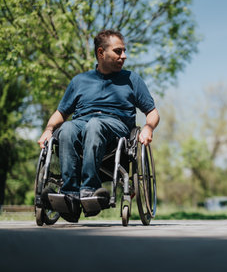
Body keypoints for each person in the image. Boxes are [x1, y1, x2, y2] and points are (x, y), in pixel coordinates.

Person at [37, 29, 160, 222]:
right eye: (118, 51)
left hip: (115, 127)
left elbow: (152, 112)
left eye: (124, 51)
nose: (124, 56)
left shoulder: (132, 80)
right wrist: (48, 129)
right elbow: (61, 113)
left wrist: (148, 127)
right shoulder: (79, 81)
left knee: (95, 124)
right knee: (67, 128)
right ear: (101, 53)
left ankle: (90, 190)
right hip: (81, 124)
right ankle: (70, 196)